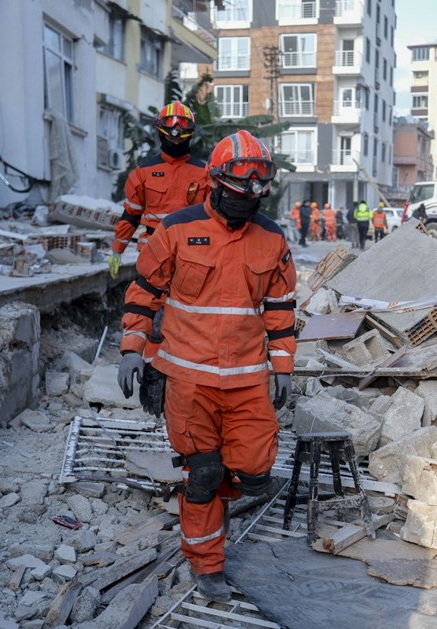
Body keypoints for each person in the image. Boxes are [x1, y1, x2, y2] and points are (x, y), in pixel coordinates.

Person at [117, 130, 296, 603]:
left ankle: (227, 491)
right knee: (202, 474)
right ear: (216, 179)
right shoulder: (177, 229)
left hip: (247, 379)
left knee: (255, 470)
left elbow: (280, 308)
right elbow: (143, 292)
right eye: (242, 180)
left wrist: (283, 367)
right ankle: (207, 563)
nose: (251, 192)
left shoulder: (272, 238)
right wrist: (133, 348)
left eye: (260, 182)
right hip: (188, 378)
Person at [110, 101, 209, 279]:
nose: (176, 141)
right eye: (172, 137)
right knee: (146, 295)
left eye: (180, 138)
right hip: (153, 250)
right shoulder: (143, 172)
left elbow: (215, 218)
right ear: (162, 134)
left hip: (193, 252)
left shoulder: (205, 173)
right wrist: (117, 250)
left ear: (190, 135)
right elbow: (131, 215)